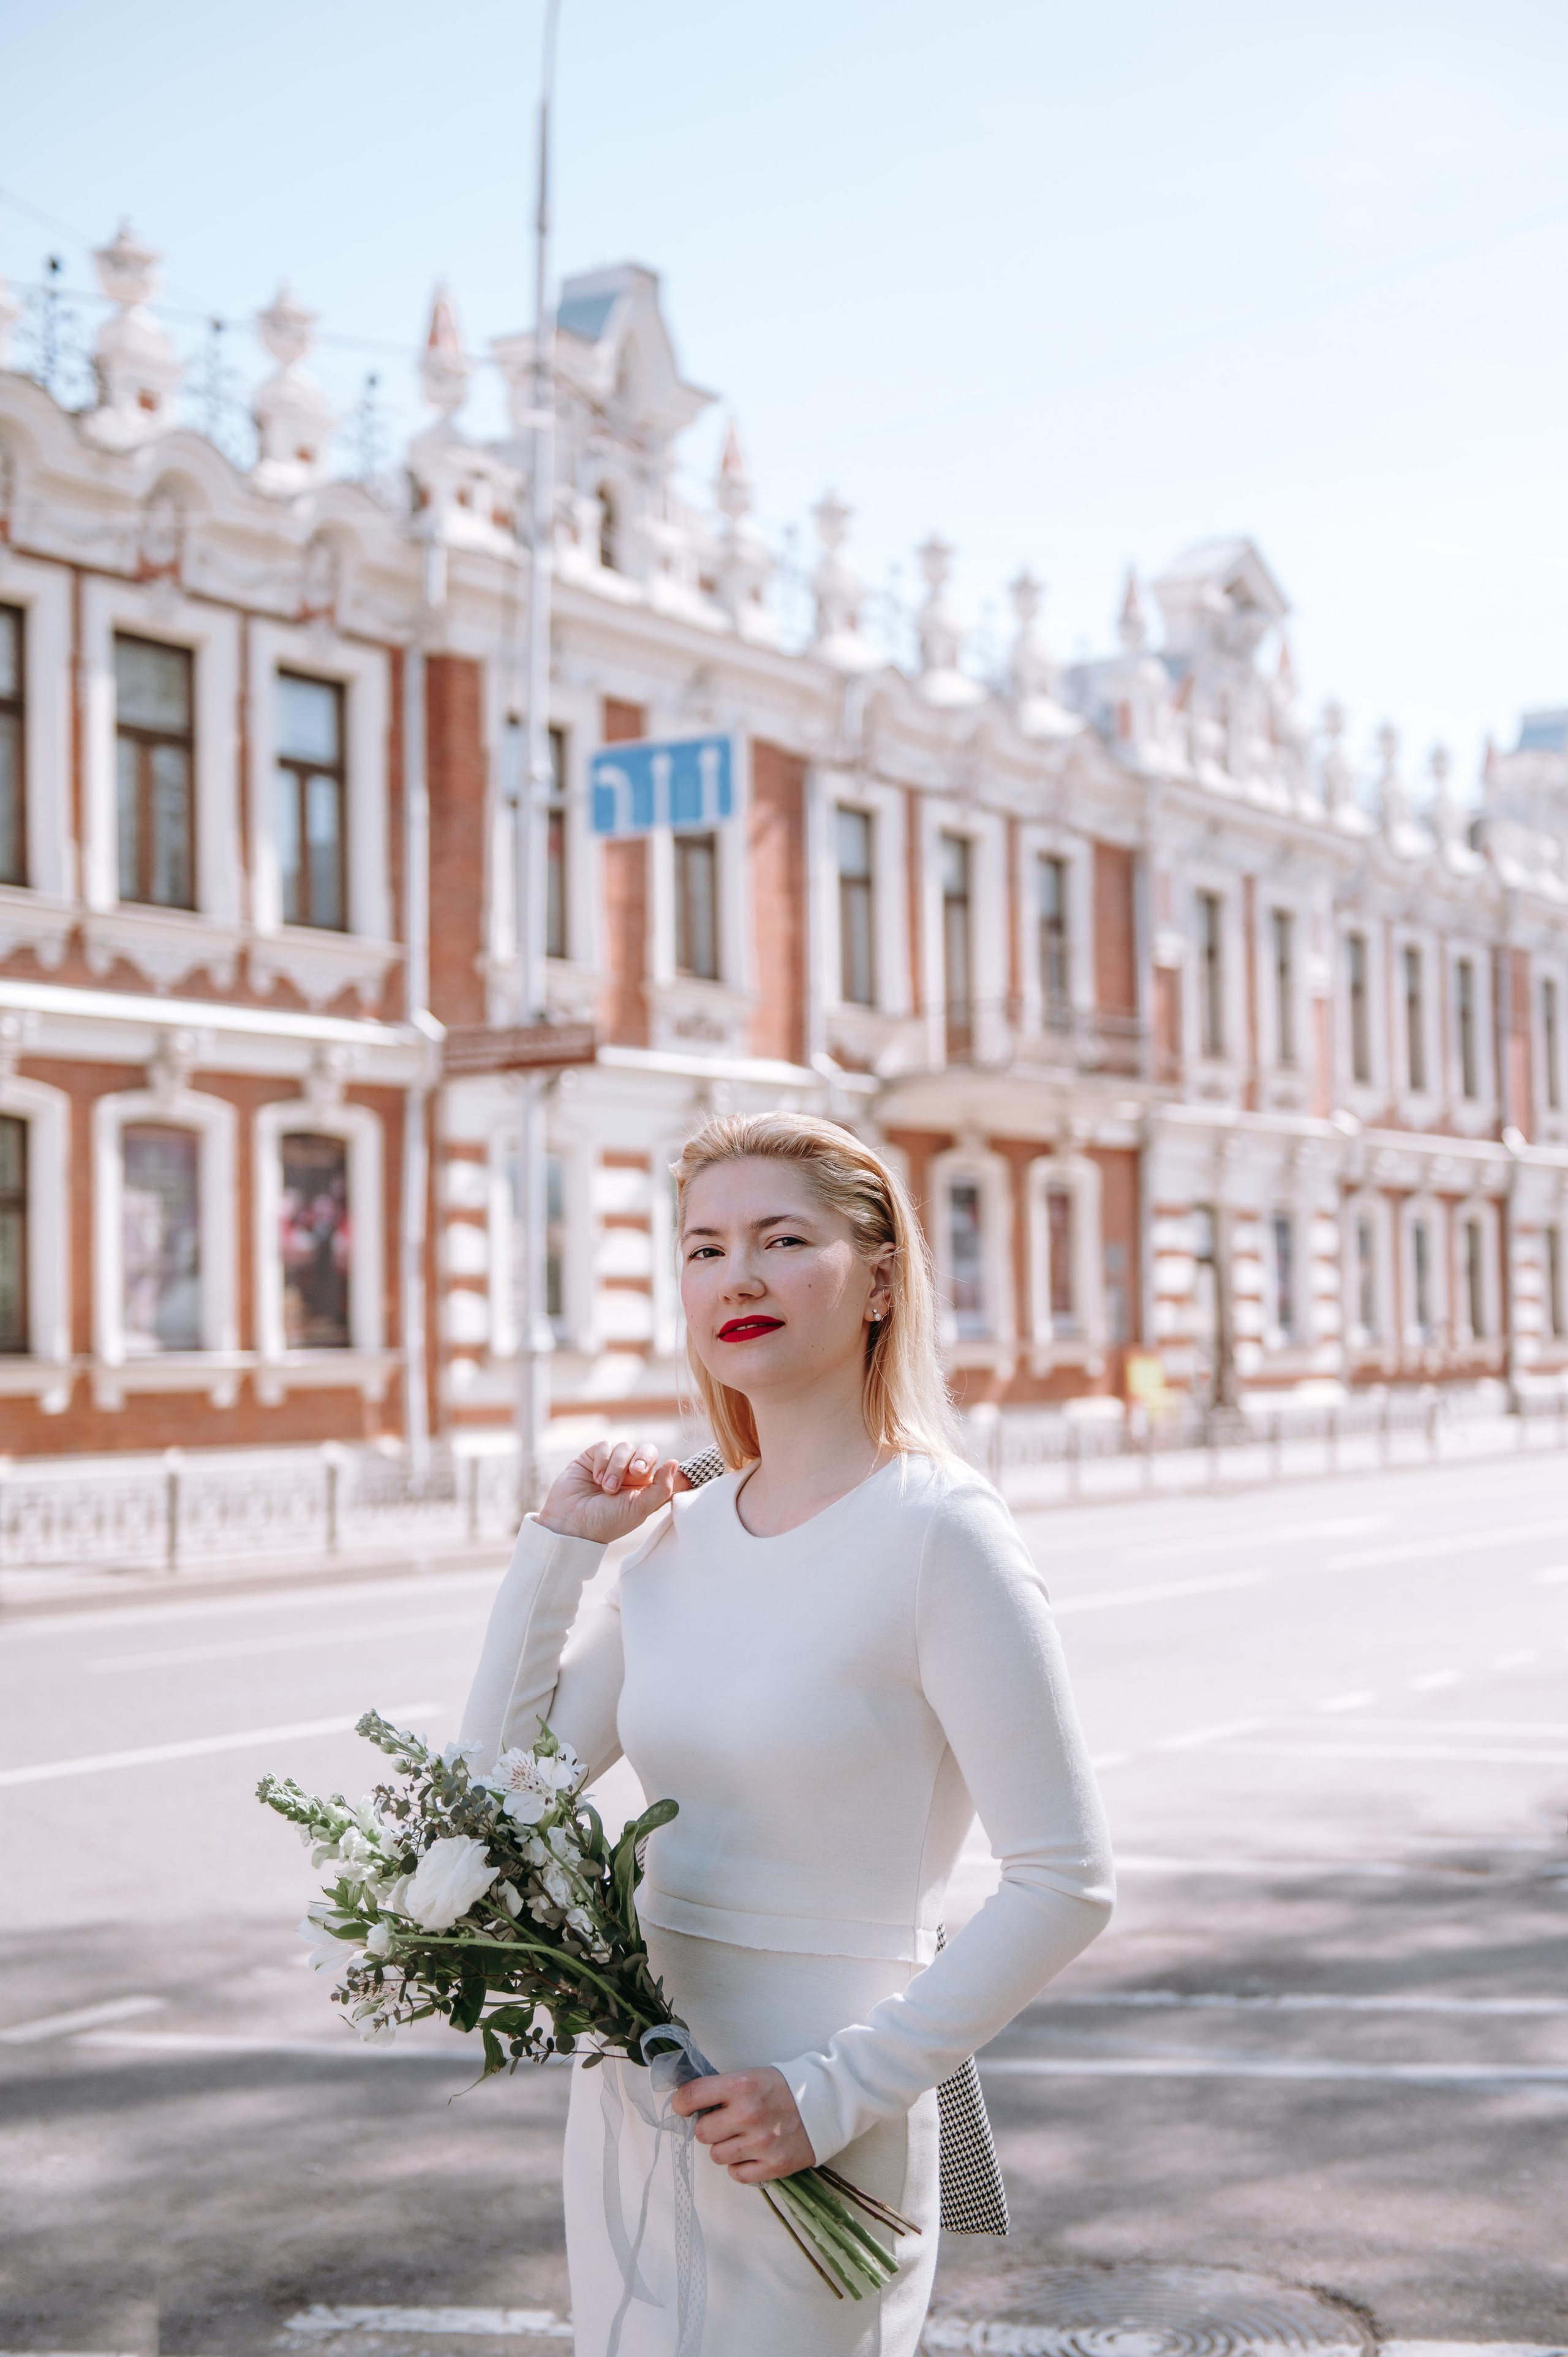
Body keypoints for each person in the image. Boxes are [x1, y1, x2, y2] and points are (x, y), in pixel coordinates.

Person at [460, 1111, 1114, 2356]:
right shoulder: (673, 1538)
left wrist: (831, 2094)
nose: (735, 1277)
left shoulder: (942, 1534)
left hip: (816, 2106)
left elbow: (1067, 1880)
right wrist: (553, 1554)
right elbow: (494, 1795)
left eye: (780, 1238)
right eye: (702, 1248)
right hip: (638, 2090)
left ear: (878, 1277)